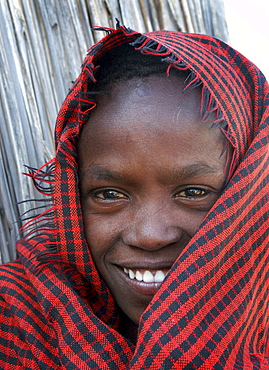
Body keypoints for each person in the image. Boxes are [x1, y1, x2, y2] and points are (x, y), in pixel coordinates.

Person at [0, 23, 268, 369]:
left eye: (193, 192)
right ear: (73, 198)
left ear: (250, 191)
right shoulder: (20, 321)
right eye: (109, 193)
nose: (149, 236)